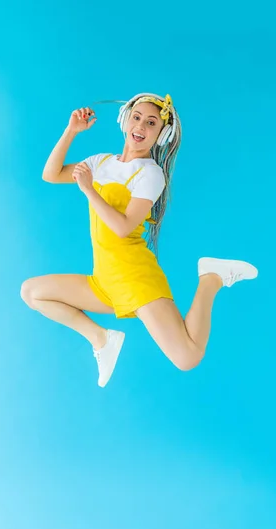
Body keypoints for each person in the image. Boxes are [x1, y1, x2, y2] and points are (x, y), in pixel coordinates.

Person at [21, 93, 258, 387]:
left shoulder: (150, 174)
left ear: (161, 134)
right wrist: (71, 131)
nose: (141, 126)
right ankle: (100, 338)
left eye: (151, 123)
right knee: (32, 292)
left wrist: (89, 191)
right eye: (136, 117)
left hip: (134, 278)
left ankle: (211, 278)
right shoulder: (100, 162)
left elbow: (122, 227)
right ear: (124, 120)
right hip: (105, 281)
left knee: (187, 357)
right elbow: (50, 174)